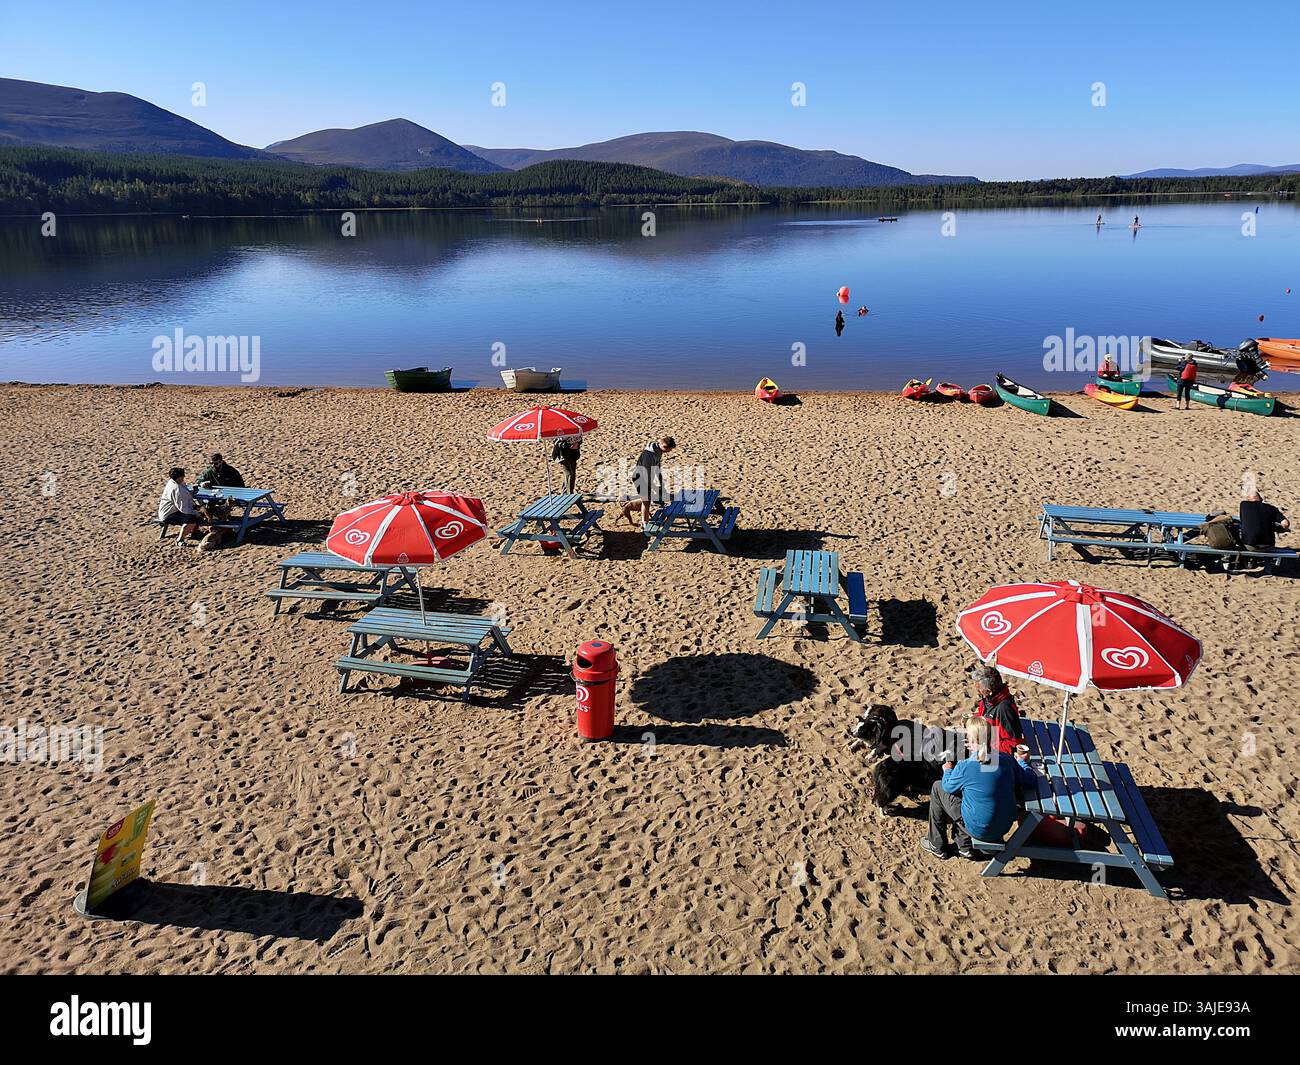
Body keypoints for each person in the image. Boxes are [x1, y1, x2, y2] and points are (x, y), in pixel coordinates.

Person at [921, 716, 1037, 860]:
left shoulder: (966, 766)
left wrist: (948, 769)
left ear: (972, 740)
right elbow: (1031, 780)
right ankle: (964, 846)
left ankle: (937, 845)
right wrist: (1022, 763)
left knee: (938, 787)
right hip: (1004, 825)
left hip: (980, 829)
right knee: (972, 793)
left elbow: (948, 787)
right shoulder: (1007, 760)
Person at [620, 436, 676, 527]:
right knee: (646, 501)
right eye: (667, 449)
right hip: (640, 478)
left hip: (647, 477)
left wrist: (661, 484)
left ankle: (631, 505)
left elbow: (657, 468)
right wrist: (654, 486)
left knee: (649, 499)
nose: (668, 452)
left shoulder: (658, 451)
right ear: (663, 445)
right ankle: (644, 523)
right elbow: (646, 475)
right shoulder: (648, 455)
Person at [972, 665, 1023, 756]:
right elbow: (984, 715)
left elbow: (1012, 745)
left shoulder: (1005, 710)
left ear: (989, 691)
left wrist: (984, 747)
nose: (978, 692)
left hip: (995, 755)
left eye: (979, 690)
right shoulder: (988, 700)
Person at [157, 467, 206, 546]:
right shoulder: (177, 489)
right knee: (192, 519)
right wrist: (196, 513)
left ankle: (195, 531)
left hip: (174, 509)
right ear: (180, 477)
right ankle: (180, 539)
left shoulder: (174, 482)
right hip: (168, 514)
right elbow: (184, 510)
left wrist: (191, 493)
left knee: (199, 510)